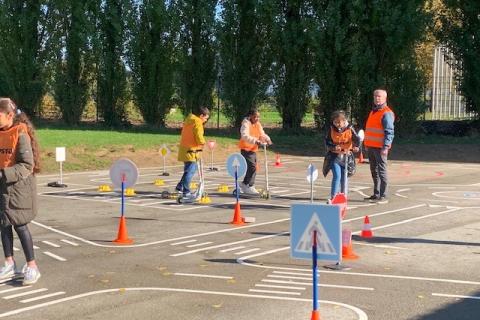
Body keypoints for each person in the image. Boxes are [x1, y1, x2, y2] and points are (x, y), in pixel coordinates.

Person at [0, 98, 41, 285]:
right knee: (4, 224)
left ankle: (32, 266)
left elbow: (27, 165)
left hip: (19, 189)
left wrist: (3, 174)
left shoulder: (20, 132)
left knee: (20, 225)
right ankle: (9, 264)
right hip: (3, 187)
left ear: (9, 115)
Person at [364, 89, 395, 203]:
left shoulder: (386, 113)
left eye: (379, 96)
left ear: (385, 98)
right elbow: (370, 130)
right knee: (374, 171)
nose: (377, 98)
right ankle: (376, 193)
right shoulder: (373, 112)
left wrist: (386, 147)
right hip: (371, 146)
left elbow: (389, 132)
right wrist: (366, 144)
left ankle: (383, 194)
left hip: (380, 148)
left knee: (381, 171)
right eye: (375, 96)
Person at [323, 110, 360, 201]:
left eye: (339, 122)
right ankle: (333, 197)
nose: (337, 124)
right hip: (335, 157)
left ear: (344, 121)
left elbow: (357, 139)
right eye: (335, 122)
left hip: (347, 157)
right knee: (337, 176)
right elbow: (327, 142)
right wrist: (334, 147)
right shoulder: (331, 129)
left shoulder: (350, 128)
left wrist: (356, 147)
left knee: (344, 177)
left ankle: (344, 197)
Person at [175, 107, 209, 199]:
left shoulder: (189, 120)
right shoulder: (198, 122)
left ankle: (180, 186)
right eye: (206, 118)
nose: (206, 120)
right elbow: (198, 136)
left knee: (188, 170)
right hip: (191, 150)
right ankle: (186, 191)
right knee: (190, 171)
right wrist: (203, 143)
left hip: (185, 149)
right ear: (201, 116)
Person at [238, 108, 272, 195]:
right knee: (252, 167)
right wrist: (255, 141)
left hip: (253, 149)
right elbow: (245, 135)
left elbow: (262, 133)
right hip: (246, 149)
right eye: (255, 117)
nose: (257, 119)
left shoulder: (258, 124)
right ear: (250, 116)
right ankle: (246, 184)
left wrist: (268, 139)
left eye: (258, 117)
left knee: (255, 167)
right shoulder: (245, 124)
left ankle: (249, 185)